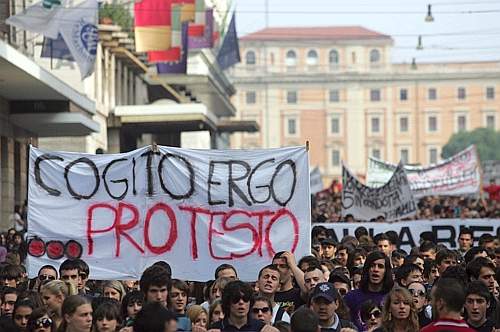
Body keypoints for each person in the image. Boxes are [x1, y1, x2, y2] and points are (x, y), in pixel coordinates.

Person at [344, 251, 393, 330]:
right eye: (372, 266)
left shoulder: (392, 297)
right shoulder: (351, 297)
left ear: (386, 271)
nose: (375, 269)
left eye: (380, 266)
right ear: (367, 269)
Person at [209, 280, 278, 332]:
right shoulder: (216, 329)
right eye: (236, 299)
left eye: (245, 299)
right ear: (227, 302)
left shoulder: (261, 328)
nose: (241, 302)